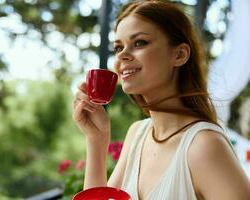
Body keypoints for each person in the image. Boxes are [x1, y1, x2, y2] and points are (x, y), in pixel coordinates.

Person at [72, 0, 250, 199]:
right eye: (118, 47)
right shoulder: (137, 134)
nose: (122, 55)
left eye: (139, 42)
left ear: (180, 54)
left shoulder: (204, 146)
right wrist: (97, 139)